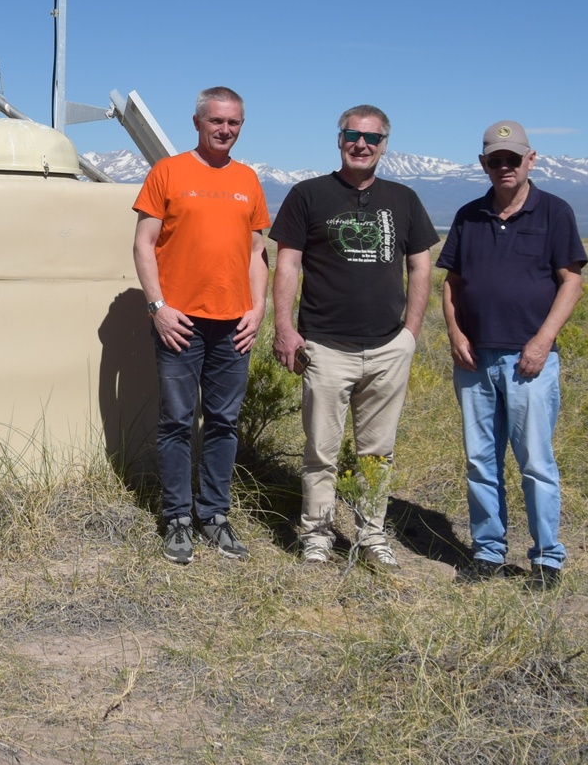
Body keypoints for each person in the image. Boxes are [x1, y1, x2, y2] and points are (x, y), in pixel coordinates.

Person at [271, 105, 437, 569]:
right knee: (320, 451)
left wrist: (411, 333)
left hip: (388, 347)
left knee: (377, 451)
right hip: (324, 345)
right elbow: (287, 262)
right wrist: (285, 328)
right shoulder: (308, 195)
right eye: (352, 135)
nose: (361, 144)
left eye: (372, 138)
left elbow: (420, 265)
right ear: (339, 139)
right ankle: (318, 534)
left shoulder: (403, 199)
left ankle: (371, 535)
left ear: (385, 145)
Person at [438, 121, 586, 590]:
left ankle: (547, 560)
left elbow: (571, 281)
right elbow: (452, 283)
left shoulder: (555, 213)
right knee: (481, 461)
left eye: (512, 159)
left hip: (530, 363)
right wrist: (455, 333)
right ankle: (487, 552)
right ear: (483, 164)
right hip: (474, 360)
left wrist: (542, 342)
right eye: (494, 160)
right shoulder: (469, 215)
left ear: (531, 159)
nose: (504, 167)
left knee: (535, 462)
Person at [133, 87, 271, 564]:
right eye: (216, 121)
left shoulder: (248, 180)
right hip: (181, 323)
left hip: (234, 323)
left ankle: (214, 516)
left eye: (233, 123)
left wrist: (258, 309)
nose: (225, 130)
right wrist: (158, 308)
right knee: (175, 422)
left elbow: (257, 253)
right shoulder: (168, 172)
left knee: (223, 422)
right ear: (197, 122)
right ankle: (177, 518)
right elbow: (143, 244)